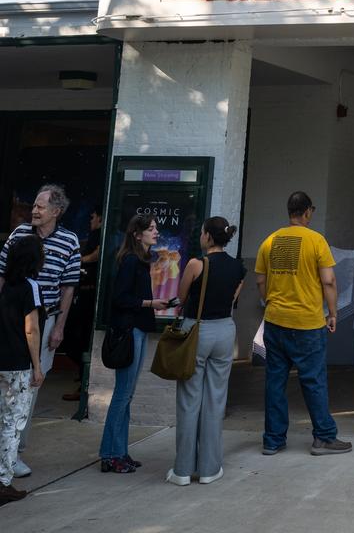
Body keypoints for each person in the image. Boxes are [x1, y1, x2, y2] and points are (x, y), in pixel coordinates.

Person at [254, 191, 351, 458]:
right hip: (307, 323)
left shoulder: (270, 241)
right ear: (307, 212)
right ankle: (324, 437)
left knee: (275, 381)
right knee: (313, 381)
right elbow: (329, 281)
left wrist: (269, 302)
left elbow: (260, 281)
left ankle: (272, 441)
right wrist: (332, 312)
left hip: (275, 321)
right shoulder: (316, 241)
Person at [0, 184, 81, 478]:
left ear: (56, 212)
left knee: (32, 387)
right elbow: (0, 275)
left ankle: (15, 451)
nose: (34, 210)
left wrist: (59, 326)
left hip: (45, 320)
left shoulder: (69, 241)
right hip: (11, 317)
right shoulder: (18, 235)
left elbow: (68, 286)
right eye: (34, 205)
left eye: (41, 207)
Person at [166, 216, 246, 486]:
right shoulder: (238, 267)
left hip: (198, 330)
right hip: (225, 330)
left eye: (202, 233)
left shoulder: (196, 264)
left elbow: (183, 296)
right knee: (215, 400)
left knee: (189, 400)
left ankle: (183, 470)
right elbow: (233, 297)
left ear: (209, 237)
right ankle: (210, 468)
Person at [100, 214, 171, 473]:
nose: (156, 232)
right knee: (122, 394)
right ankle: (109, 454)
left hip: (138, 329)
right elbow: (120, 298)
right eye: (150, 229)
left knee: (127, 395)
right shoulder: (130, 261)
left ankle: (120, 451)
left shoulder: (140, 261)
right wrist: (150, 304)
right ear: (137, 234)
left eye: (156, 228)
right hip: (129, 331)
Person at [0, 238, 45, 505]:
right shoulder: (31, 287)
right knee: (12, 424)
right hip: (17, 365)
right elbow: (32, 329)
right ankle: (3, 481)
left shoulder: (5, 286)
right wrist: (37, 366)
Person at [63, 206, 103, 401]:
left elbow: (97, 254)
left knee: (73, 335)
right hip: (85, 292)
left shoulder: (99, 234)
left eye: (93, 215)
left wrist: (77, 262)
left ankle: (84, 380)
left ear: (101, 219)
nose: (90, 219)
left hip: (88, 294)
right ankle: (82, 377)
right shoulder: (93, 234)